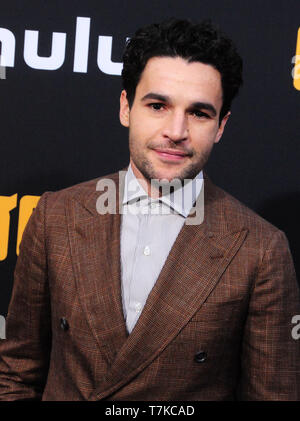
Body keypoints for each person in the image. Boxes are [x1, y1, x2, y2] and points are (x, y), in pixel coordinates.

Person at [0, 18, 299, 401]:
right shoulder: (55, 216)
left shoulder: (261, 250)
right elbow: (15, 373)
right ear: (126, 107)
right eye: (158, 105)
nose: (176, 130)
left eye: (199, 113)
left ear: (221, 126)